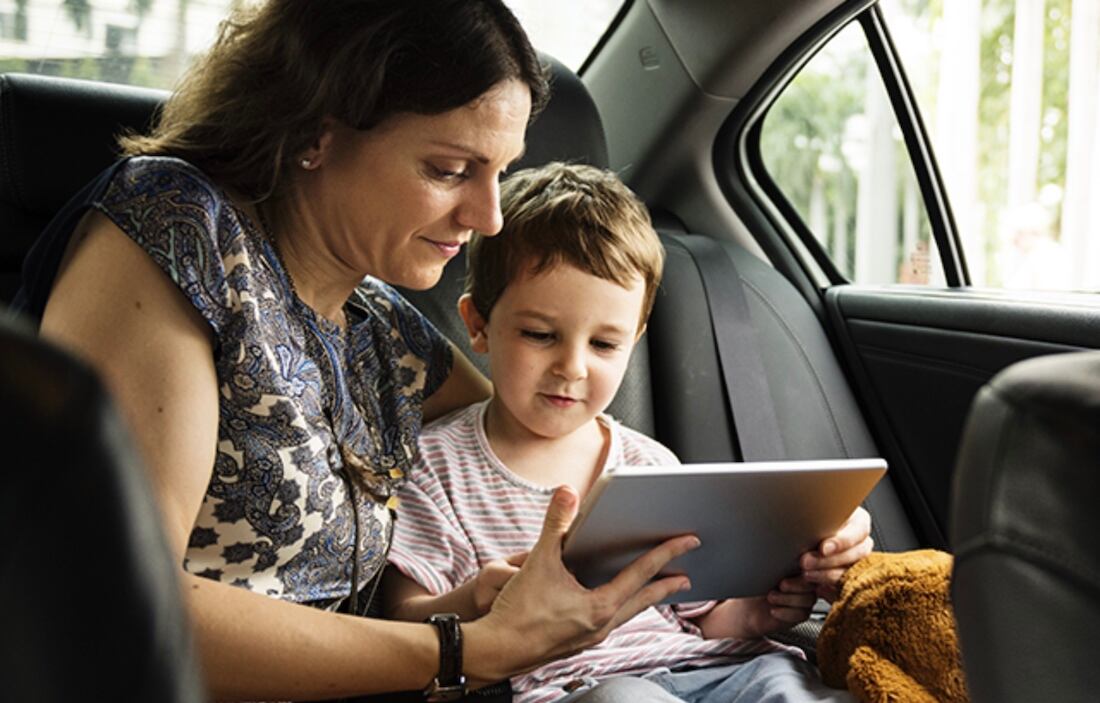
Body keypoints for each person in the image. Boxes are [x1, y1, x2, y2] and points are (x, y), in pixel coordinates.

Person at [14, 2, 713, 700]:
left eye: (499, 172)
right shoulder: (178, 230)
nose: (488, 216)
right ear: (317, 132)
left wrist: (750, 553)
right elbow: (115, 601)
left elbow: (532, 441)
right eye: (449, 169)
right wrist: (462, 646)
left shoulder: (383, 329)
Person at [383, 163, 872, 702]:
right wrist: (475, 599)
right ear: (478, 325)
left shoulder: (649, 465)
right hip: (577, 687)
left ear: (634, 338)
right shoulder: (435, 466)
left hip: (707, 668)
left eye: (604, 345)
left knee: (796, 687)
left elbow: (701, 617)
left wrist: (761, 610)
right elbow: (403, 622)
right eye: (540, 334)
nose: (572, 367)